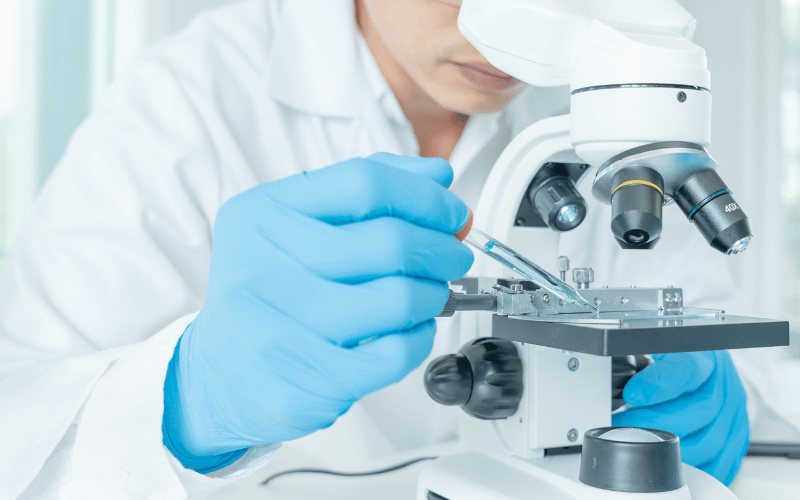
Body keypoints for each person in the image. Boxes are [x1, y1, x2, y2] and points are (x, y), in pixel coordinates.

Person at [0, 0, 796, 498]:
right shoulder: (187, 100)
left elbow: (718, 350)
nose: (505, 17)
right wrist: (189, 399)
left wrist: (722, 394)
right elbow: (19, 431)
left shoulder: (590, 104)